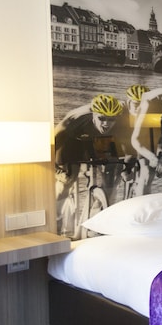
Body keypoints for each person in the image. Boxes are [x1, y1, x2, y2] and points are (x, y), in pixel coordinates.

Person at [54, 93, 128, 236]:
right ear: (93, 113)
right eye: (102, 118)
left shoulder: (120, 120)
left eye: (111, 120)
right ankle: (56, 217)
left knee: (112, 173)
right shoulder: (75, 119)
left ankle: (98, 214)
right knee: (67, 178)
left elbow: (126, 146)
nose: (106, 124)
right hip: (72, 140)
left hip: (98, 138)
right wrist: (57, 167)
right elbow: (53, 142)